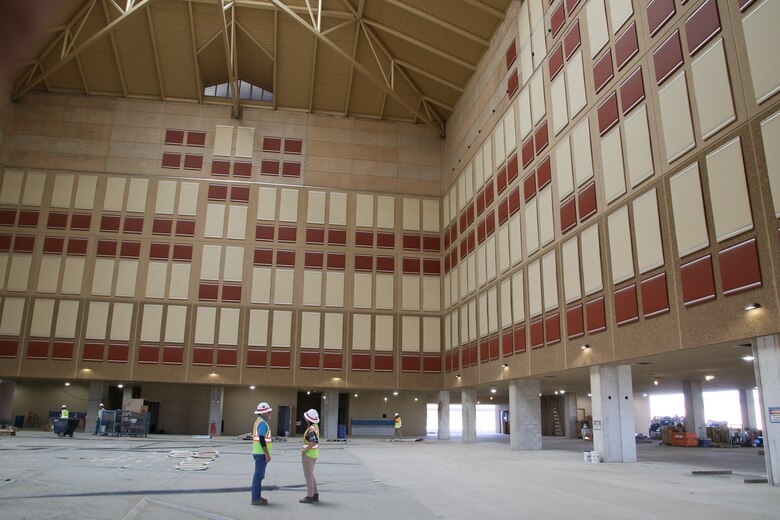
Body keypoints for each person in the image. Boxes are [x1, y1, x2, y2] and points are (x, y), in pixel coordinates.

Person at [251, 402, 273, 506]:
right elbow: (261, 439)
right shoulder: (263, 423)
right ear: (264, 413)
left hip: (258, 452)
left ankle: (257, 497)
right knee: (258, 476)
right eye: (269, 412)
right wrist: (267, 454)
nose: (270, 413)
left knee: (259, 476)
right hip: (261, 454)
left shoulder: (258, 421)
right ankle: (255, 499)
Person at [299, 409, 320, 504]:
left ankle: (310, 496)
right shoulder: (316, 426)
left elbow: (314, 441)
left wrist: (305, 450)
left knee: (308, 475)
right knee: (311, 474)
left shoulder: (311, 429)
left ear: (308, 419)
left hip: (308, 455)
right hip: (314, 454)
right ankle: (315, 494)